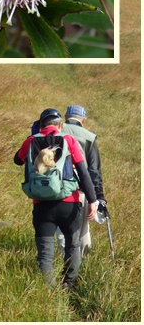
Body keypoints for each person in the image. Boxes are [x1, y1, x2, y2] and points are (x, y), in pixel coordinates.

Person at [14, 108, 97, 289]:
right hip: (69, 202)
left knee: (45, 252)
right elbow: (83, 172)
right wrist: (93, 200)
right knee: (73, 245)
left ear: (40, 124)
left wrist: (34, 135)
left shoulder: (31, 141)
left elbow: (17, 160)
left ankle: (50, 289)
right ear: (60, 125)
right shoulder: (68, 139)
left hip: (42, 205)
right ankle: (68, 284)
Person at [58, 104, 107, 257]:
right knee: (83, 230)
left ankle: (64, 265)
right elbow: (94, 171)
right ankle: (82, 263)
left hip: (57, 187)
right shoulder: (89, 137)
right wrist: (99, 196)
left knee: (61, 231)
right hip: (81, 189)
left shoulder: (57, 130)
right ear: (83, 120)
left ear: (65, 118)